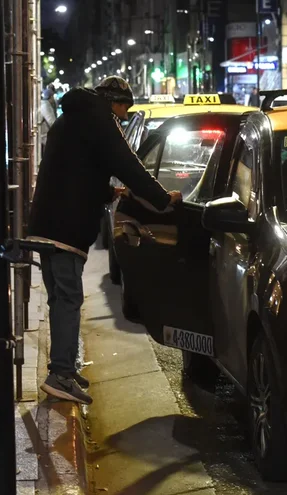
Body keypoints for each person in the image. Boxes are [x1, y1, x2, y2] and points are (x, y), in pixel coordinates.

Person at [28, 76, 181, 405]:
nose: (124, 117)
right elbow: (130, 167)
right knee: (69, 300)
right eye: (124, 109)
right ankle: (61, 376)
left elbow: (76, 172)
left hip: (44, 224)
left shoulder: (69, 119)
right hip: (66, 230)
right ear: (113, 101)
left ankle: (63, 364)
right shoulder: (101, 122)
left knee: (59, 299)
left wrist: (109, 192)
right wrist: (162, 200)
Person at [40, 85, 58, 153]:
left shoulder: (45, 104)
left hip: (44, 137)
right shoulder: (45, 105)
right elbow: (51, 121)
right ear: (51, 97)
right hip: (45, 138)